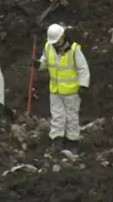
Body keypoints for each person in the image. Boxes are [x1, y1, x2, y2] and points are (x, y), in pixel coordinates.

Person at [34, 23, 90, 151]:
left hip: (71, 91)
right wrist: (38, 65)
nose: (55, 44)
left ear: (63, 37)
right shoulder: (48, 47)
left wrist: (83, 85)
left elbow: (83, 69)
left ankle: (72, 141)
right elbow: (45, 62)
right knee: (57, 115)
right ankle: (57, 139)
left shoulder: (74, 50)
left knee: (71, 116)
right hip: (55, 90)